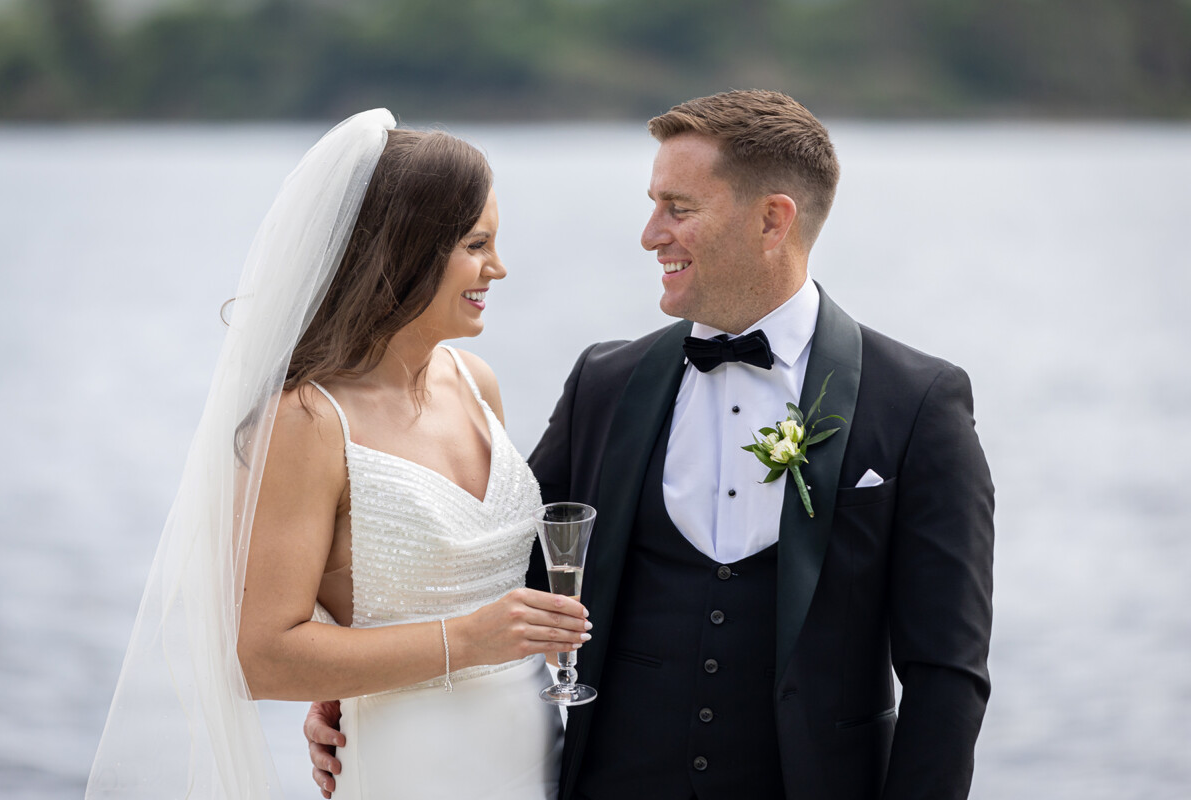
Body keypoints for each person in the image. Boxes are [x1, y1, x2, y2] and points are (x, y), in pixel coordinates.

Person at [307, 90, 994, 799]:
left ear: (772, 220)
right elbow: (503, 569)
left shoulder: (917, 404)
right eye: (653, 203)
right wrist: (360, 680)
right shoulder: (606, 384)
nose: (650, 233)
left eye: (679, 208)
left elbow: (948, 674)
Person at [87, 109, 588, 799]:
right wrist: (465, 642)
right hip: (411, 767)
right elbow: (262, 658)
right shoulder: (306, 421)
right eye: (478, 244)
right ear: (408, 251)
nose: (497, 268)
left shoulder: (476, 383)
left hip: (537, 751)